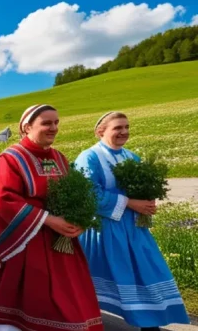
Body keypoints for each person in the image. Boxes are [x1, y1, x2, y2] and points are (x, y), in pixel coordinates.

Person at [0, 104, 103, 331]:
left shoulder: (59, 157)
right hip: (28, 241)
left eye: (56, 122)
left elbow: (75, 192)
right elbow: (3, 199)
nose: (54, 128)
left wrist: (79, 220)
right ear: (27, 127)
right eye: (47, 123)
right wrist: (48, 219)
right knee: (40, 299)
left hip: (63, 242)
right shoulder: (11, 158)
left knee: (71, 297)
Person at [76, 112, 190, 330]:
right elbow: (88, 194)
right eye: (118, 127)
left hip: (134, 228)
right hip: (104, 229)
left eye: (127, 127)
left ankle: (150, 322)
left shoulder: (131, 157)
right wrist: (129, 202)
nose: (124, 132)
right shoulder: (90, 157)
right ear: (101, 131)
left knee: (146, 270)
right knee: (110, 276)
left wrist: (148, 201)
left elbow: (145, 187)